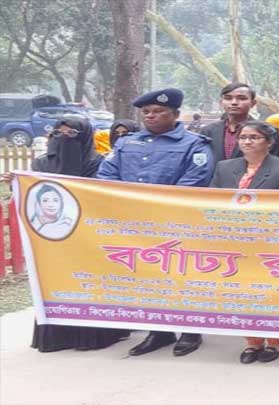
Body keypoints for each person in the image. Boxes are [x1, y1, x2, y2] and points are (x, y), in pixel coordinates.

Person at [97, 88, 214, 357]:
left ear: (175, 114)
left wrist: (156, 207)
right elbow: (106, 176)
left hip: (177, 223)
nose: (151, 116)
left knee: (183, 277)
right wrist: (131, 205)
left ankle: (190, 331)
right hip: (135, 224)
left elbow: (195, 181)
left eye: (158, 111)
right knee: (148, 278)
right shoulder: (126, 143)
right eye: (146, 112)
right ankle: (159, 331)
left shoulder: (195, 144)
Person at [30, 117, 129, 352]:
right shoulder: (42, 163)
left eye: (72, 134)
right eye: (59, 133)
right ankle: (57, 336)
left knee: (89, 283)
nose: (65, 138)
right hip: (55, 236)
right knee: (58, 280)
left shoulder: (99, 163)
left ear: (84, 136)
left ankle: (94, 335)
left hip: (89, 234)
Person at [210, 121, 279, 363]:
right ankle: (252, 341)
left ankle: (276, 341)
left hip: (271, 243)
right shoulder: (224, 167)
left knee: (270, 294)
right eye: (243, 137)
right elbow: (212, 200)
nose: (247, 142)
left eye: (254, 137)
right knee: (242, 293)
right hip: (233, 241)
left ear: (269, 142)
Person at [200, 82, 279, 162]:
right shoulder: (208, 131)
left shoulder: (268, 130)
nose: (234, 102)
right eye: (228, 98)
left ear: (253, 103)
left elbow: (275, 163)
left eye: (242, 98)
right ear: (221, 102)